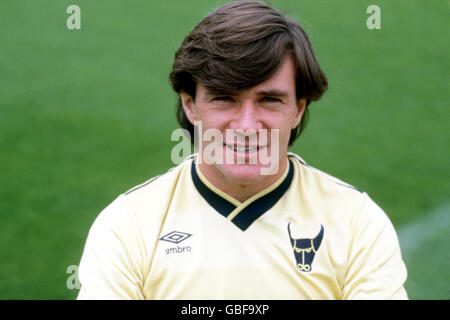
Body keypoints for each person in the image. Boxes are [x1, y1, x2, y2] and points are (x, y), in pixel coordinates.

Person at [77, 1, 408, 299]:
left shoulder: (357, 223)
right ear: (190, 105)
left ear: (298, 109)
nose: (247, 126)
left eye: (269, 100)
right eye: (224, 98)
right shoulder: (128, 226)